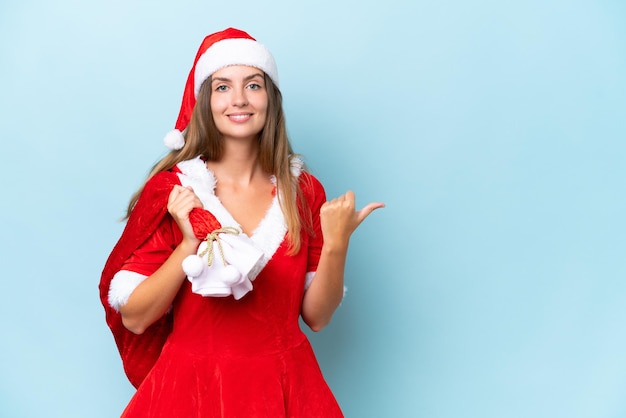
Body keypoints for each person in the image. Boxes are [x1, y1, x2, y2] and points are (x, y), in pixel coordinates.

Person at [99, 27, 384, 417]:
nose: (238, 99)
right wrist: (187, 246)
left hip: (285, 386)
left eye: (253, 85)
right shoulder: (177, 191)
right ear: (205, 100)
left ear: (270, 98)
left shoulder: (303, 191)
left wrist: (337, 243)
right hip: (190, 392)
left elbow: (317, 317)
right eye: (222, 87)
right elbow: (134, 318)